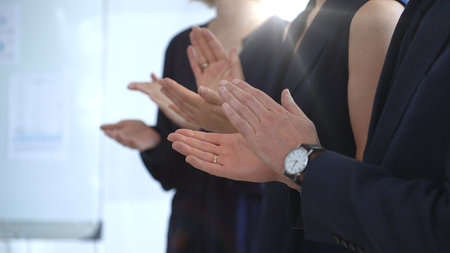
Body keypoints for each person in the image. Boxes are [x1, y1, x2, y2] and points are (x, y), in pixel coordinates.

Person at [168, 0, 450, 252]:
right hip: (274, 233)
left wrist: (298, 161)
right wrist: (238, 117)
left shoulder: (375, 15)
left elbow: (372, 181)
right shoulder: (299, 22)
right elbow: (286, 155)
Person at [100, 0, 287, 252]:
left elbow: (291, 163)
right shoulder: (181, 46)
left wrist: (221, 122)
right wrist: (155, 141)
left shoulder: (290, 42)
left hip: (255, 225)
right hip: (189, 229)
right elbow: (174, 174)